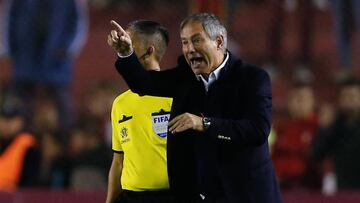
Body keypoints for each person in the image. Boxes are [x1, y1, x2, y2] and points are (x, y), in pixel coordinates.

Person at [108, 13, 282, 203]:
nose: (189, 49)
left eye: (196, 40)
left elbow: (257, 130)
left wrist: (205, 123)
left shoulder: (252, 78)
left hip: (246, 194)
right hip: (202, 196)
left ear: (218, 41)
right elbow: (145, 84)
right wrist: (126, 54)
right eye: (184, 42)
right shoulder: (186, 77)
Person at [105, 20, 174, 203]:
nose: (123, 45)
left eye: (129, 43)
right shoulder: (120, 103)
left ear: (149, 51)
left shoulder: (176, 97)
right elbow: (118, 163)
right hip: (131, 197)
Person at [5, 0, 88, 130]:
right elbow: (9, 19)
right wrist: (11, 50)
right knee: (20, 104)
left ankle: (63, 139)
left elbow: (78, 23)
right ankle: (23, 139)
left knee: (62, 105)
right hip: (26, 57)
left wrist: (67, 50)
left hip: (56, 59)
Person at [311, 78, 360, 191]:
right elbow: (316, 154)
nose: (349, 101)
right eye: (345, 97)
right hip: (343, 191)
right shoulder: (335, 127)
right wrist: (324, 128)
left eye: (353, 96)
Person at [271, 83, 321, 190]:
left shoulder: (319, 127)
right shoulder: (280, 129)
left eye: (303, 98)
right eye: (294, 98)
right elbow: (273, 157)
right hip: (281, 187)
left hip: (311, 188)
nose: (299, 103)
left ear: (313, 102)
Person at [0, 97, 40, 191]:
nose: (7, 124)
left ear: (21, 121)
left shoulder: (29, 147)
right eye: (3, 118)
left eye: (12, 119)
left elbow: (29, 185)